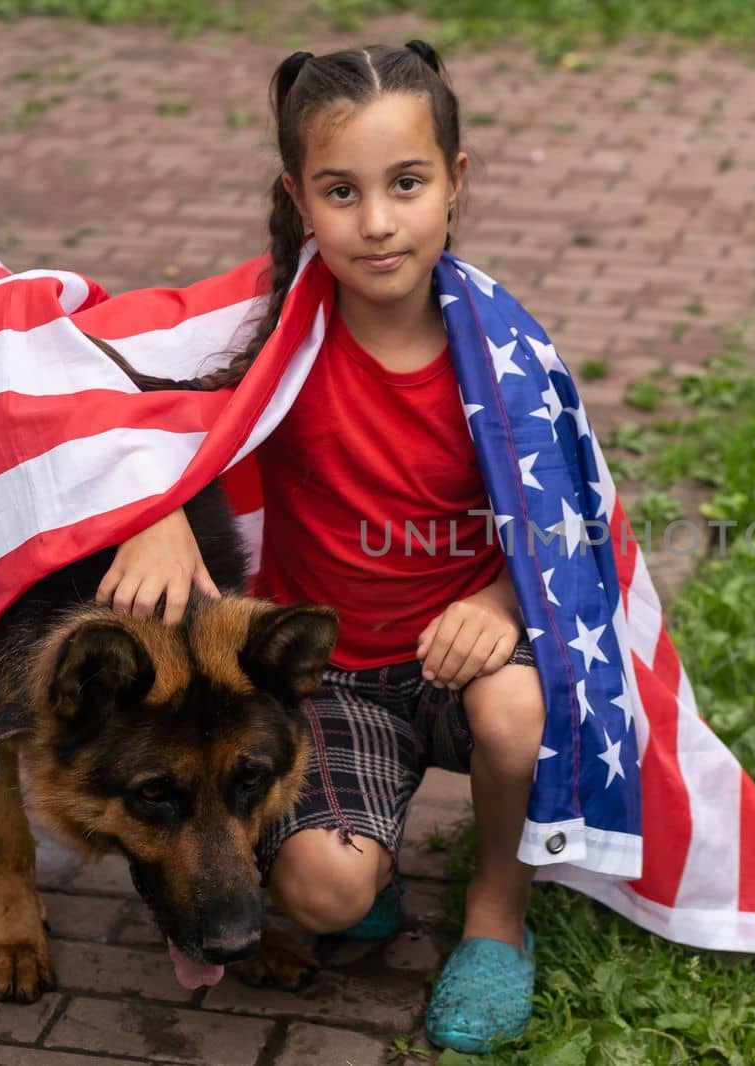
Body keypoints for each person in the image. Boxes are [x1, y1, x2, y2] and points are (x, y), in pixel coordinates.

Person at [94, 41, 545, 1053]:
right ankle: (363, 859)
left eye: (407, 183)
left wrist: (503, 606)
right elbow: (106, 397)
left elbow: (577, 527)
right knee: (327, 895)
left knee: (516, 707)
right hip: (327, 679)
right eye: (342, 191)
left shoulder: (506, 352)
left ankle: (496, 914)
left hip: (464, 658)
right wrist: (155, 509)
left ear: (454, 183)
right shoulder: (270, 338)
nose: (377, 222)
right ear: (299, 197)